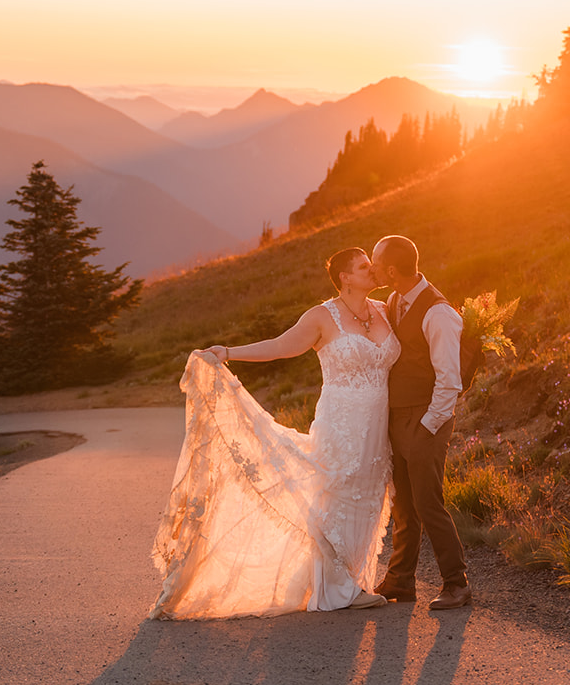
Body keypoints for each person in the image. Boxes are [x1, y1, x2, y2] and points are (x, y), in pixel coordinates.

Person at [149, 247, 398, 618]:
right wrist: (229, 352)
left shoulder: (384, 310)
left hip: (378, 421)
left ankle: (347, 580)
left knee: (367, 492)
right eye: (364, 267)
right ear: (345, 277)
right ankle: (336, 589)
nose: (373, 270)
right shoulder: (322, 316)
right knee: (338, 491)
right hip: (341, 419)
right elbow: (282, 347)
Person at [370, 235, 472, 610]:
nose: (372, 268)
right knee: (404, 505)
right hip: (399, 416)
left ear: (392, 270)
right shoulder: (395, 301)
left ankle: (456, 583)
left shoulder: (439, 314)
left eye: (376, 263)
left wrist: (427, 427)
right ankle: (400, 580)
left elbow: (450, 381)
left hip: (426, 418)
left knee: (428, 502)